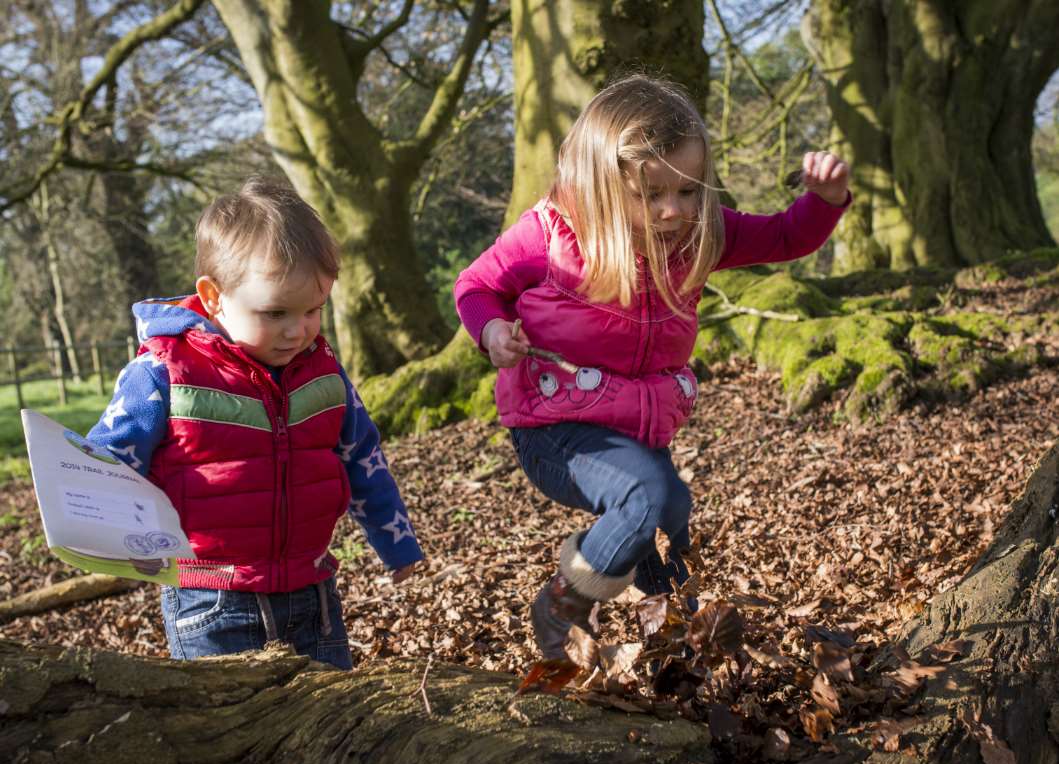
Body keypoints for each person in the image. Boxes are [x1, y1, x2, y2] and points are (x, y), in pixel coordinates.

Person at [453, 75, 850, 660]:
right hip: (553, 425)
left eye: (689, 191)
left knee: (671, 516)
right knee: (641, 500)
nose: (674, 210)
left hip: (638, 423)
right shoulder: (550, 235)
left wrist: (827, 199)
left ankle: (669, 641)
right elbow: (477, 285)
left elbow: (787, 236)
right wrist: (491, 331)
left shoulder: (699, 233)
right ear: (601, 185)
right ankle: (565, 601)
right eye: (651, 193)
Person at [88, 177, 422, 669]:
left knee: (326, 724)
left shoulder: (323, 373)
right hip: (213, 601)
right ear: (214, 296)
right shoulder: (164, 373)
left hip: (313, 595)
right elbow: (108, 461)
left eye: (314, 309)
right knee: (226, 730)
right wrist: (110, 537)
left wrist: (396, 543)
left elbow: (363, 457)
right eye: (276, 312)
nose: (298, 329)